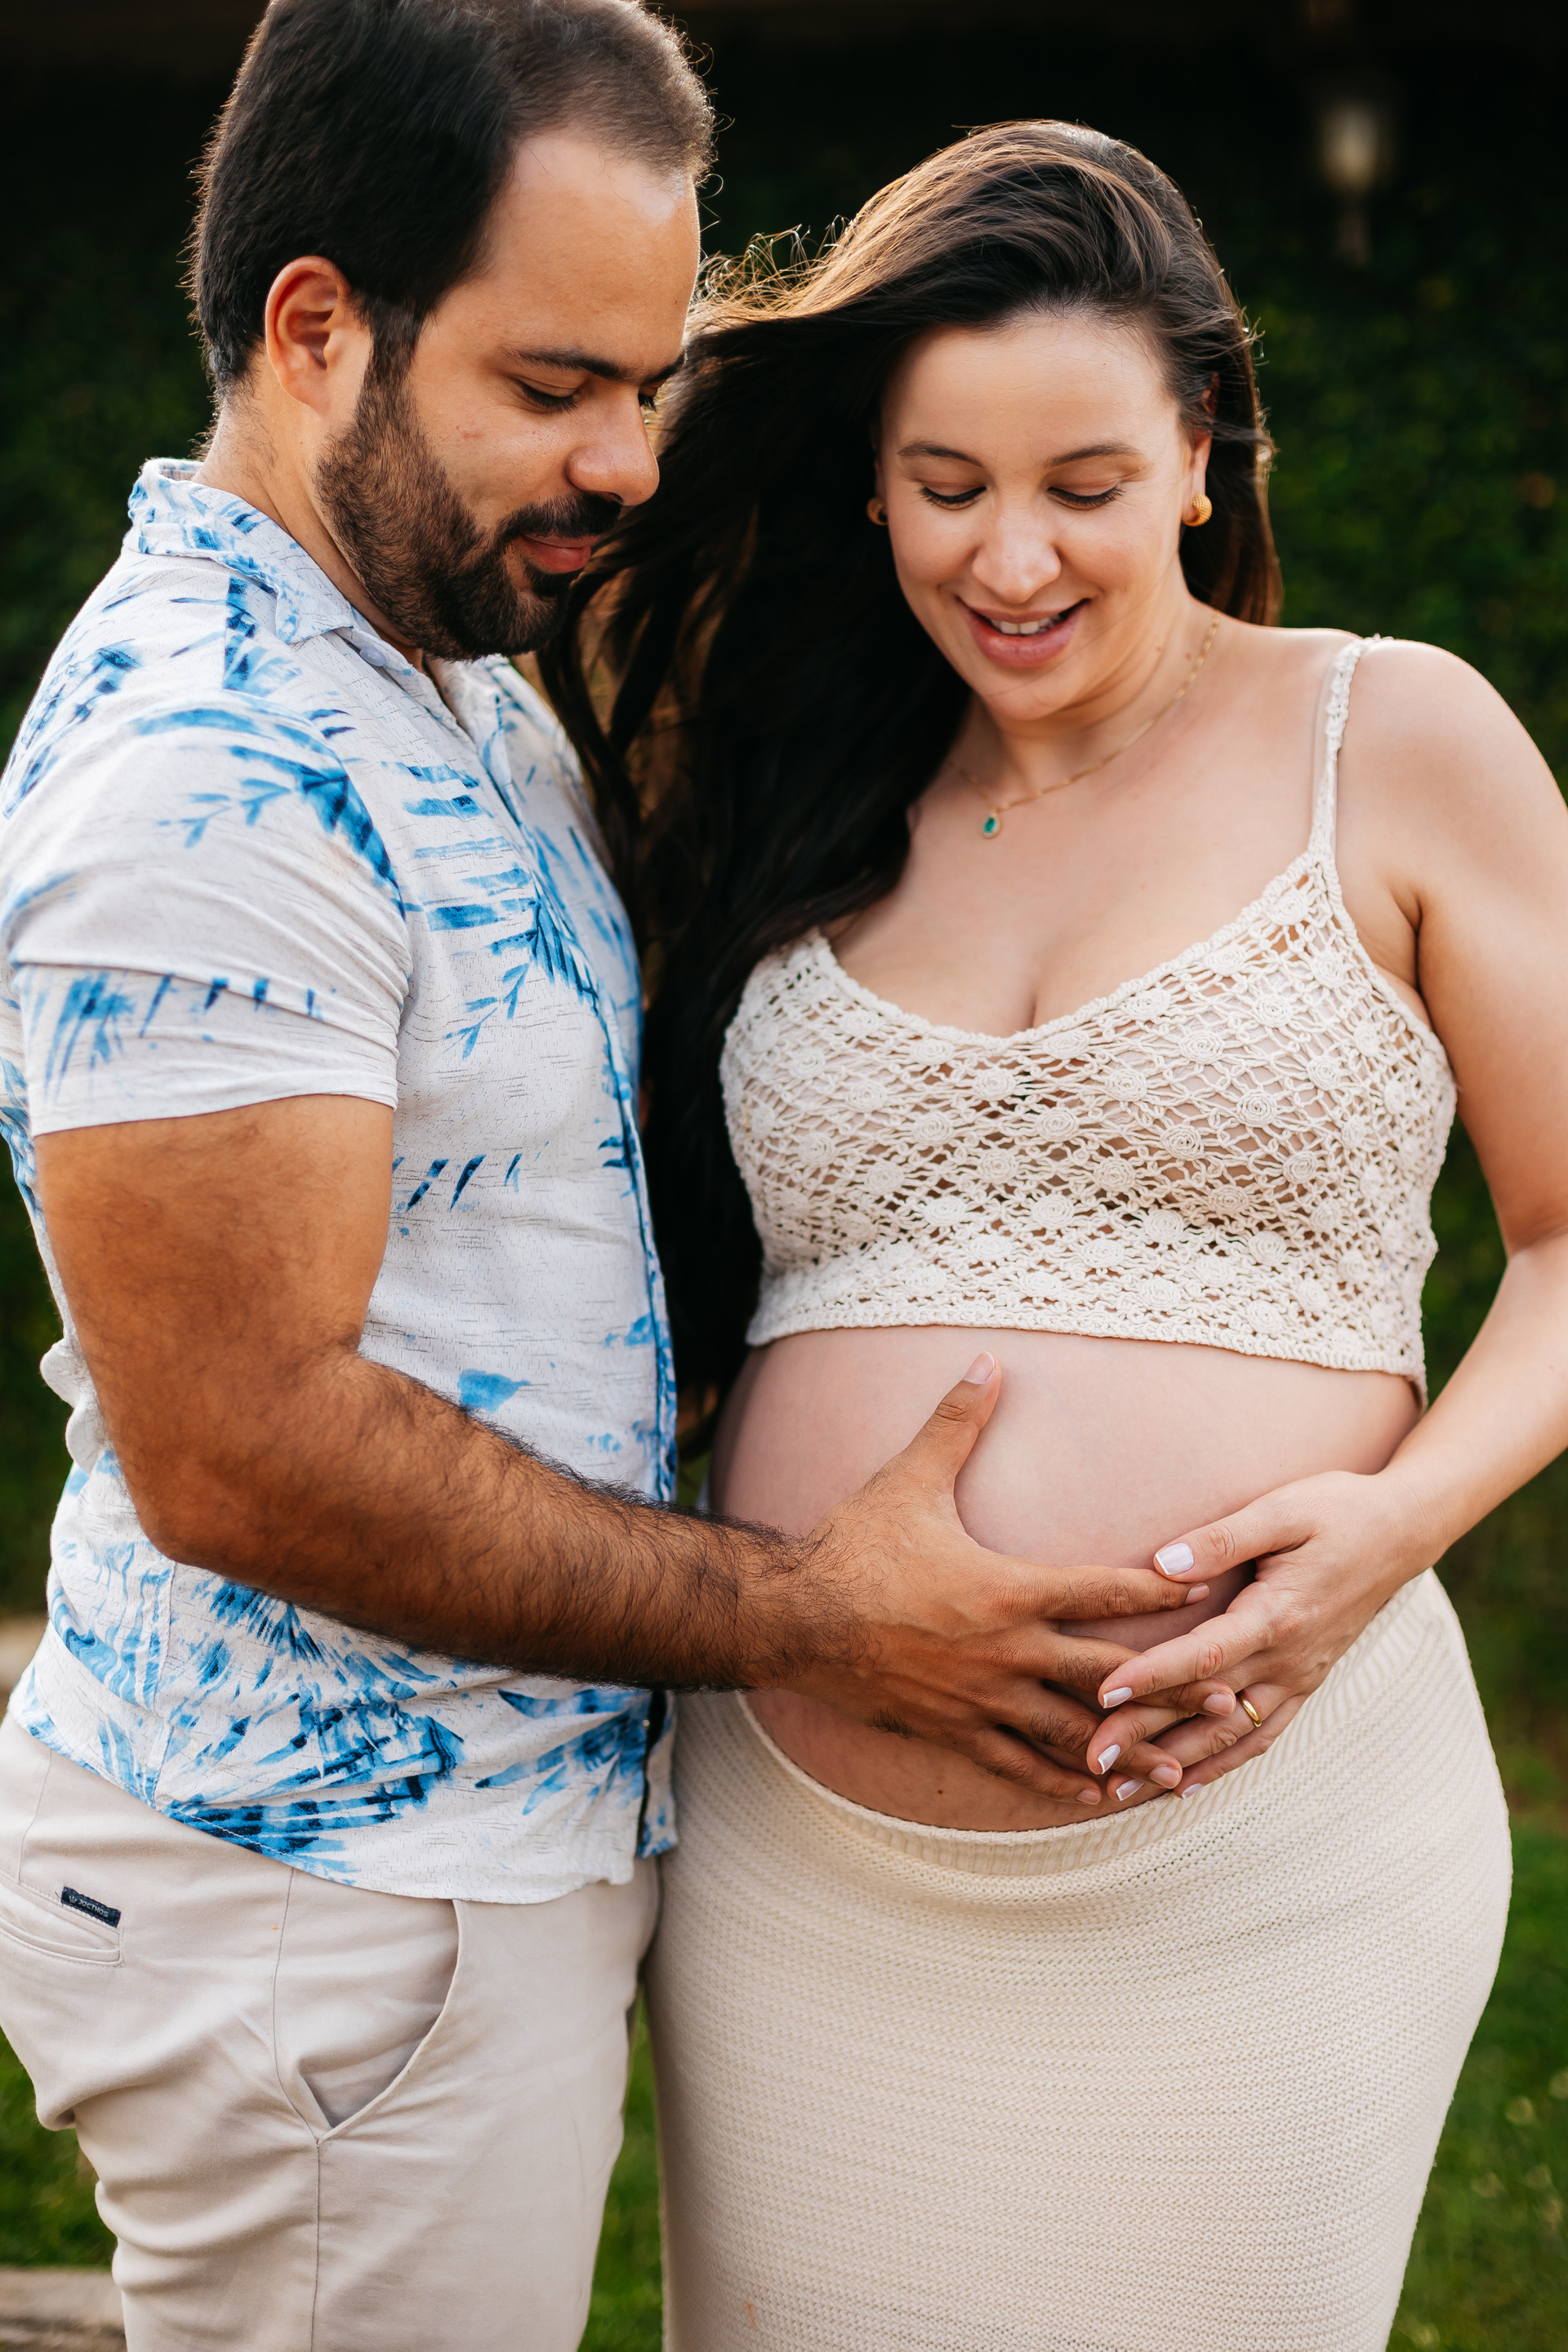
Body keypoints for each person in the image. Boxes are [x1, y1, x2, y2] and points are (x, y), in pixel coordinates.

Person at [0, 25, 1215, 2345]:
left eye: (647, 385)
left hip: (444, 1871)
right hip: (337, 1897)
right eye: (554, 385)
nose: (625, 463)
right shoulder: (211, 776)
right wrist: (812, 1617)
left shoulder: (434, 665)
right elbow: (242, 1448)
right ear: (317, 328)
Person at [546, 120, 1568, 2351]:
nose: (1009, 557)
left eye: (1083, 485)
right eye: (946, 486)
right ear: (875, 485)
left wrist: (1393, 1531)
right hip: (803, 1883)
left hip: (1261, 1872)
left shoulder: (1392, 740)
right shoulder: (801, 794)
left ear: (1198, 451)